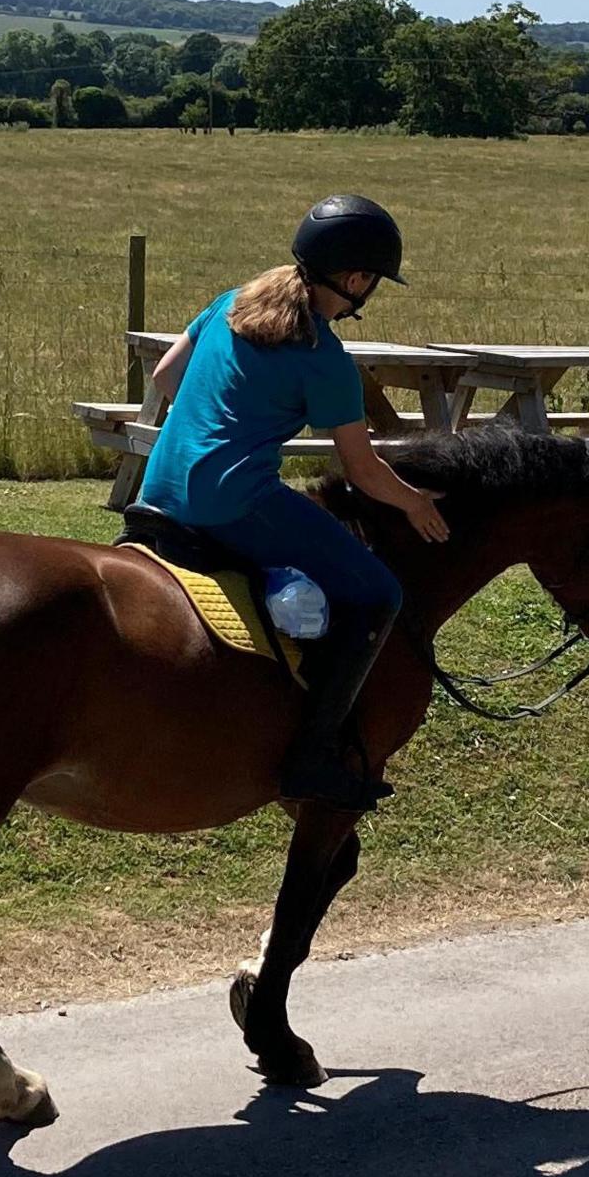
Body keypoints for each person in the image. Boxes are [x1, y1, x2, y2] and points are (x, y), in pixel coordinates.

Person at [138, 195, 449, 808]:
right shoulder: (325, 359)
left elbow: (164, 379)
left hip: (158, 487)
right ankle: (311, 758)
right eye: (373, 281)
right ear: (356, 280)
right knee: (379, 593)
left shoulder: (231, 303)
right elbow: (360, 470)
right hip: (232, 502)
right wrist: (414, 502)